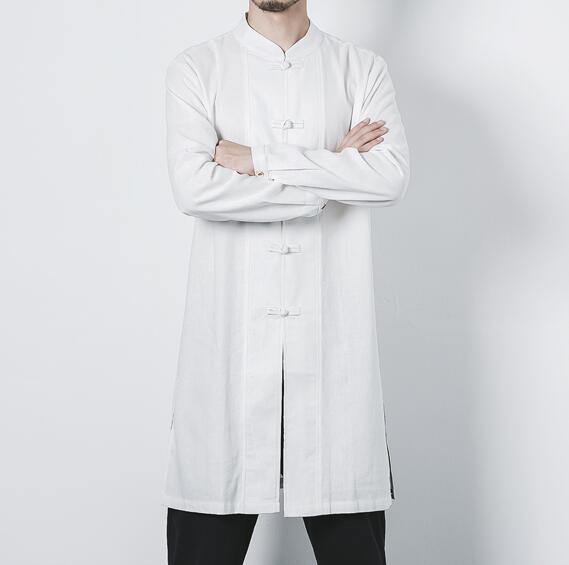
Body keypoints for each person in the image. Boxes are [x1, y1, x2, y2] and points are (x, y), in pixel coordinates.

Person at [163, 0, 410, 563]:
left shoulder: (361, 69)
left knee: (352, 543)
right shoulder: (197, 67)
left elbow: (388, 178)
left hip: (333, 360)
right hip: (225, 359)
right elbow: (195, 189)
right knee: (206, 533)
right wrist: (333, 169)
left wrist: (258, 158)